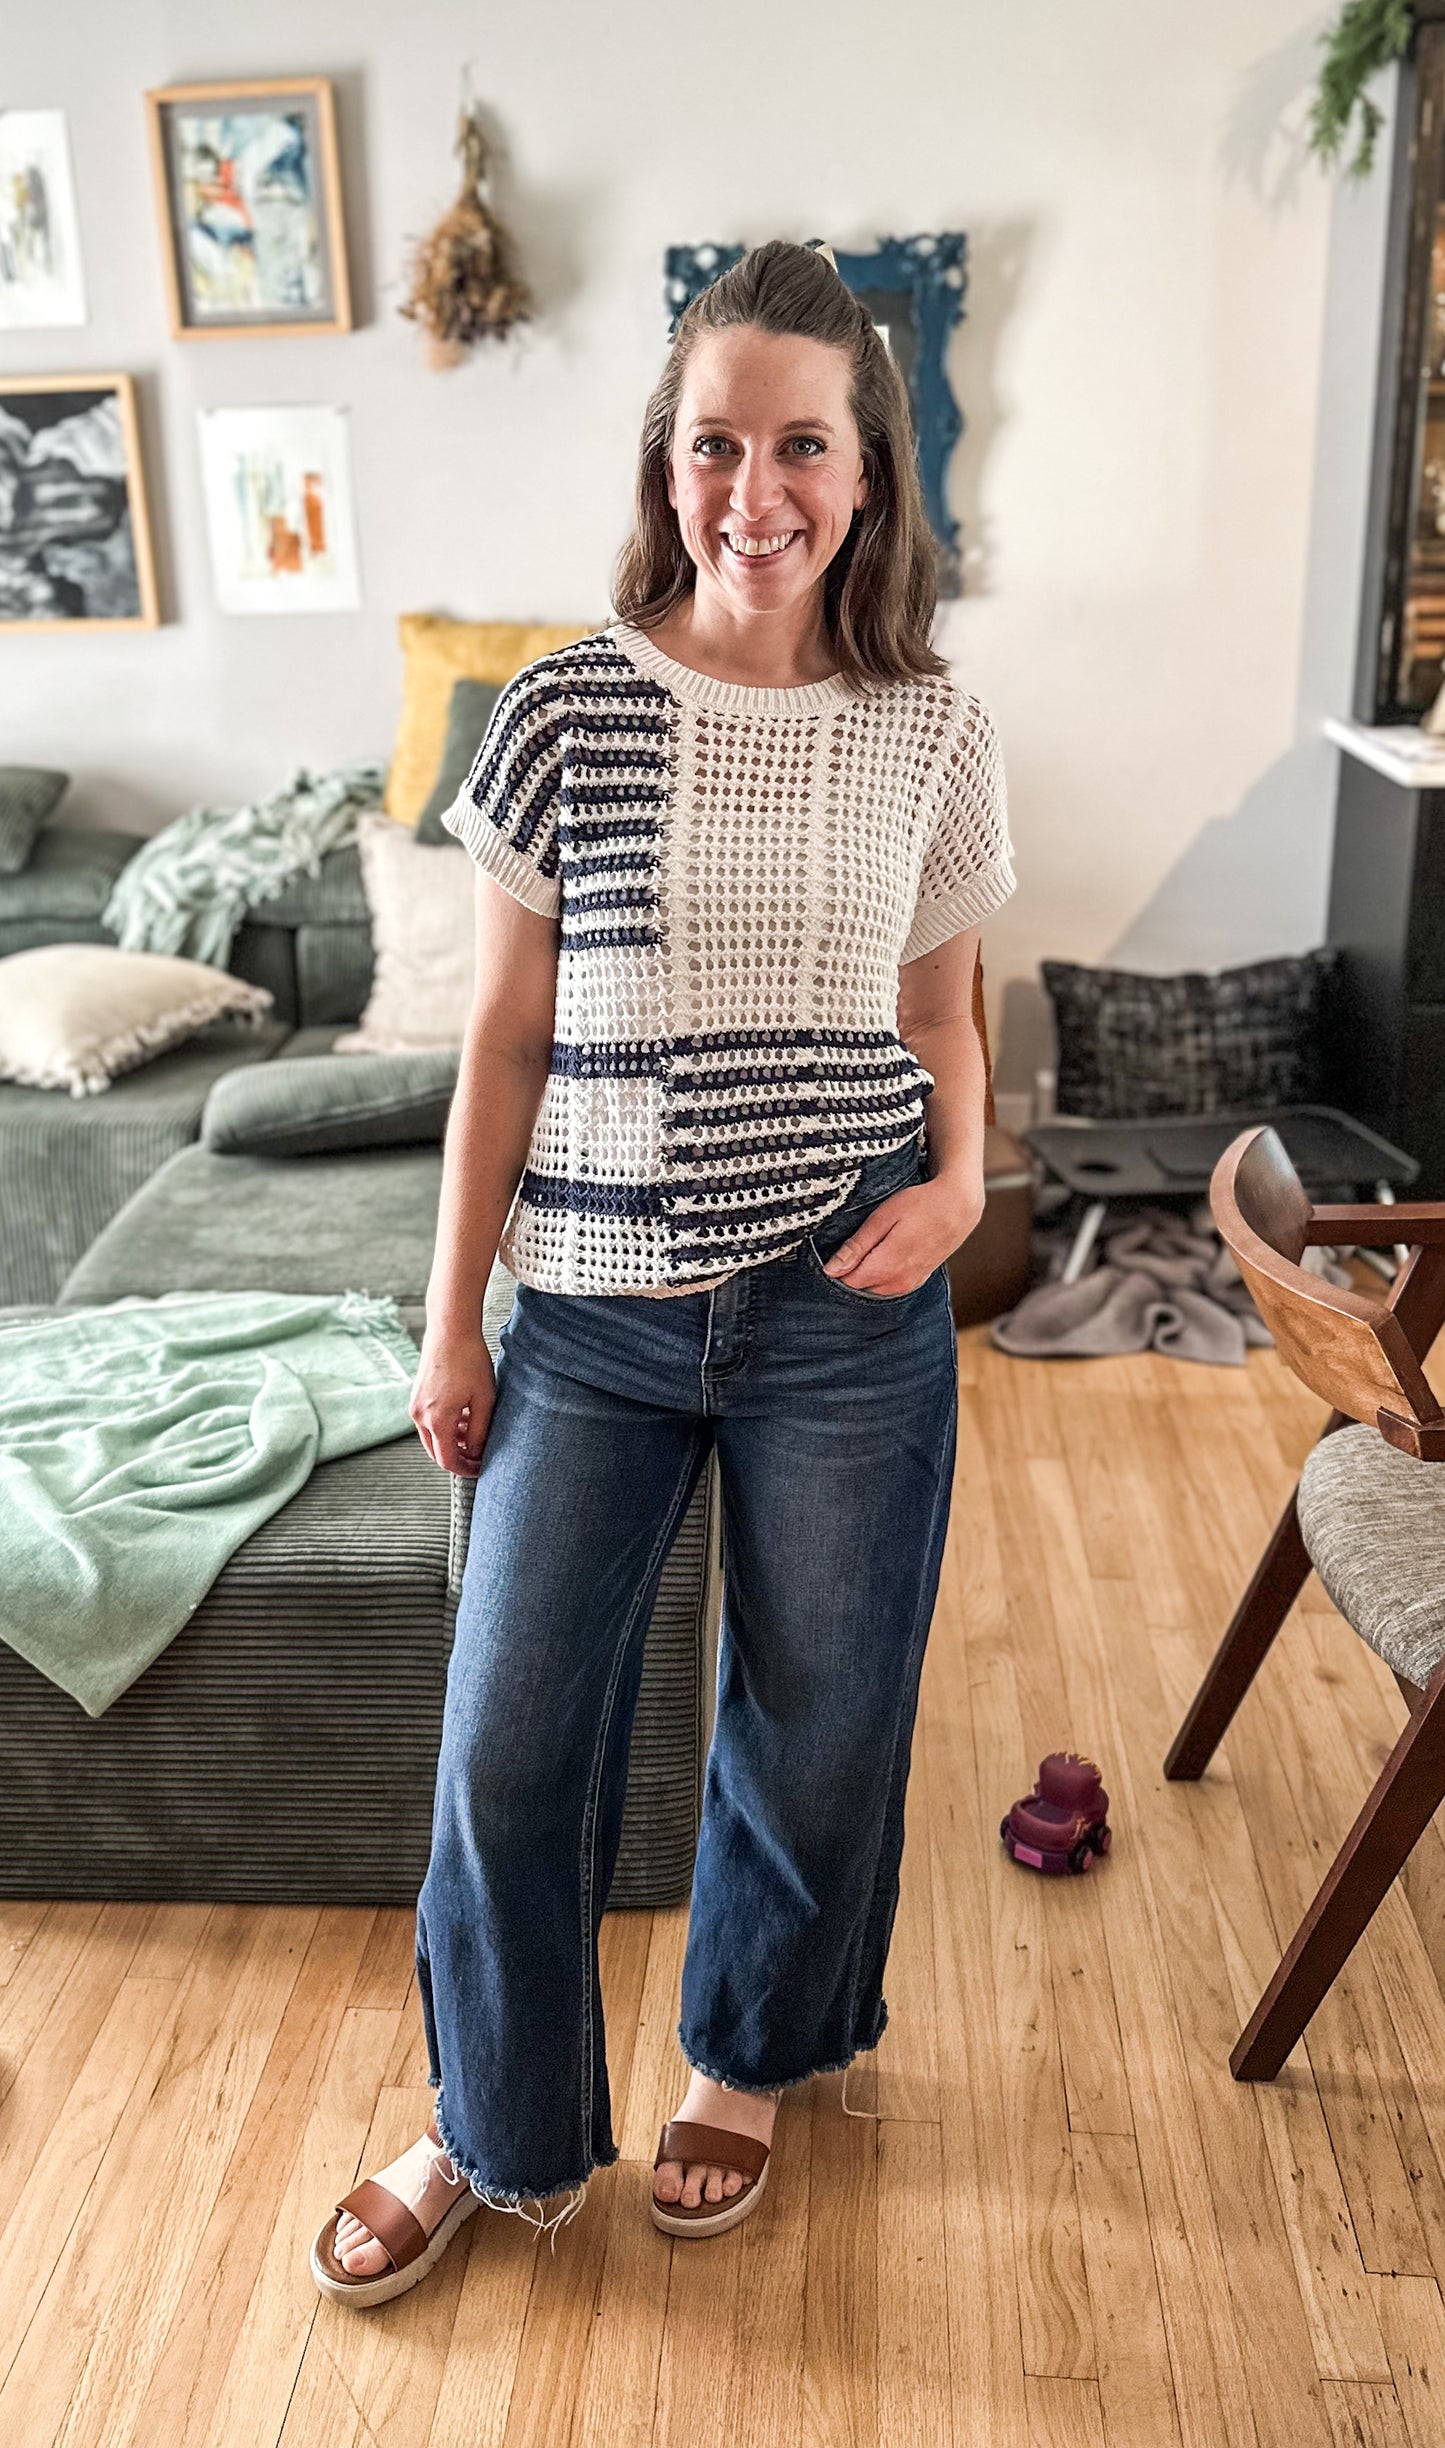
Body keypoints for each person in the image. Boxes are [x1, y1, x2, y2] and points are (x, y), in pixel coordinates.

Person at [310, 236, 1015, 2307]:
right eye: (717, 443)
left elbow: (946, 1011)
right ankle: (491, 2121)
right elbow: (503, 1043)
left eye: (802, 445)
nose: (755, 491)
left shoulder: (933, 726)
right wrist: (452, 1318)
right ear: (666, 461)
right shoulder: (564, 709)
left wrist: (965, 1184)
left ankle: (750, 2059)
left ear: (866, 473)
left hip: (849, 1308)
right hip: (595, 1318)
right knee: (508, 1746)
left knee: (822, 1720)